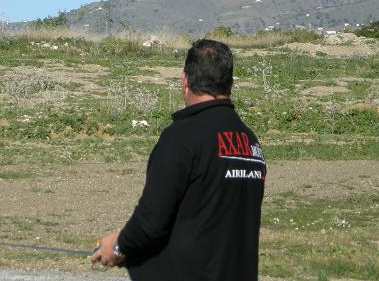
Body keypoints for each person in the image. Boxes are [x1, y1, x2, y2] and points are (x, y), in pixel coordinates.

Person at [92, 39, 266, 280]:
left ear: (185, 80)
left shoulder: (182, 137)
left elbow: (151, 221)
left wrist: (118, 246)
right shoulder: (250, 142)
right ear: (230, 84)